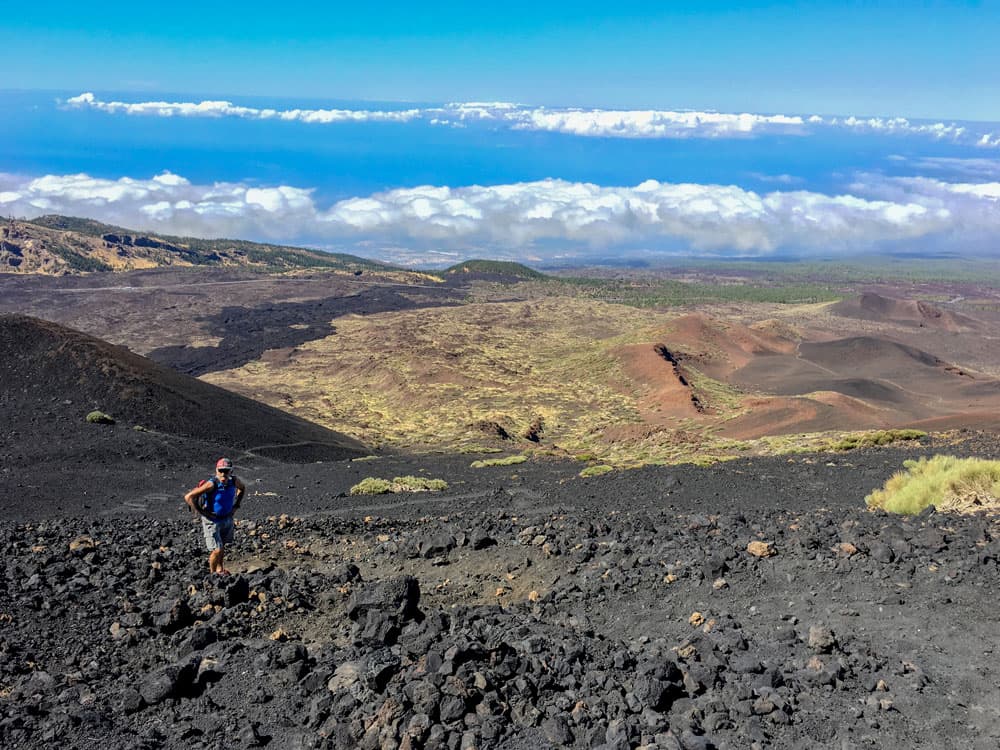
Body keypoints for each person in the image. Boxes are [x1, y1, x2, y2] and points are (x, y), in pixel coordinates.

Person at [184, 458, 246, 575]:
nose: (223, 474)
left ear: (231, 471)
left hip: (226, 518)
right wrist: (202, 512)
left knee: (222, 546)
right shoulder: (212, 484)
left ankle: (220, 570)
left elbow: (242, 489)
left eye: (226, 471)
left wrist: (236, 505)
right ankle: (212, 576)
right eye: (220, 471)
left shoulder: (234, 481)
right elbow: (189, 497)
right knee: (217, 550)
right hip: (212, 521)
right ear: (216, 471)